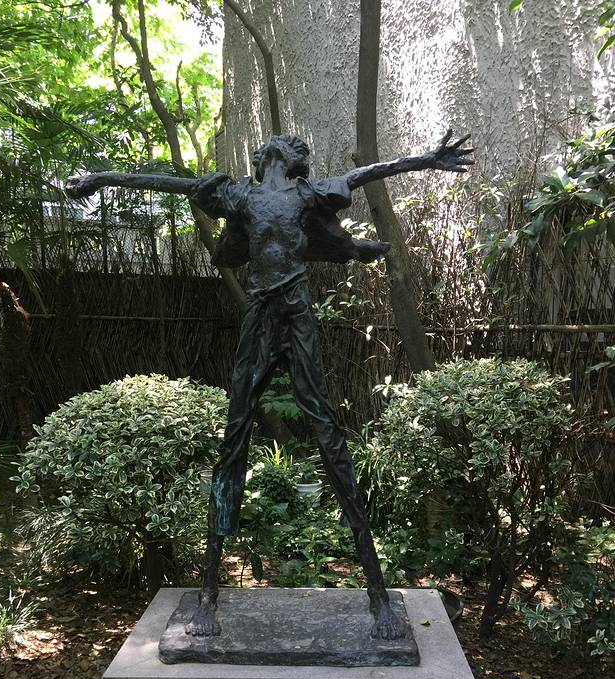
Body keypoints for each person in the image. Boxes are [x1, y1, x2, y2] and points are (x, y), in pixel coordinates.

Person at [66, 129, 472, 640]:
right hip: (260, 314)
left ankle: (377, 595)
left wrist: (426, 160)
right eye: (293, 147)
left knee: (327, 433)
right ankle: (208, 596)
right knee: (234, 438)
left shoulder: (308, 194)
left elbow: (366, 172)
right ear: (277, 155)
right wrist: (101, 178)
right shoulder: (240, 194)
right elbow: (170, 183)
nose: (295, 152)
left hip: (297, 311)